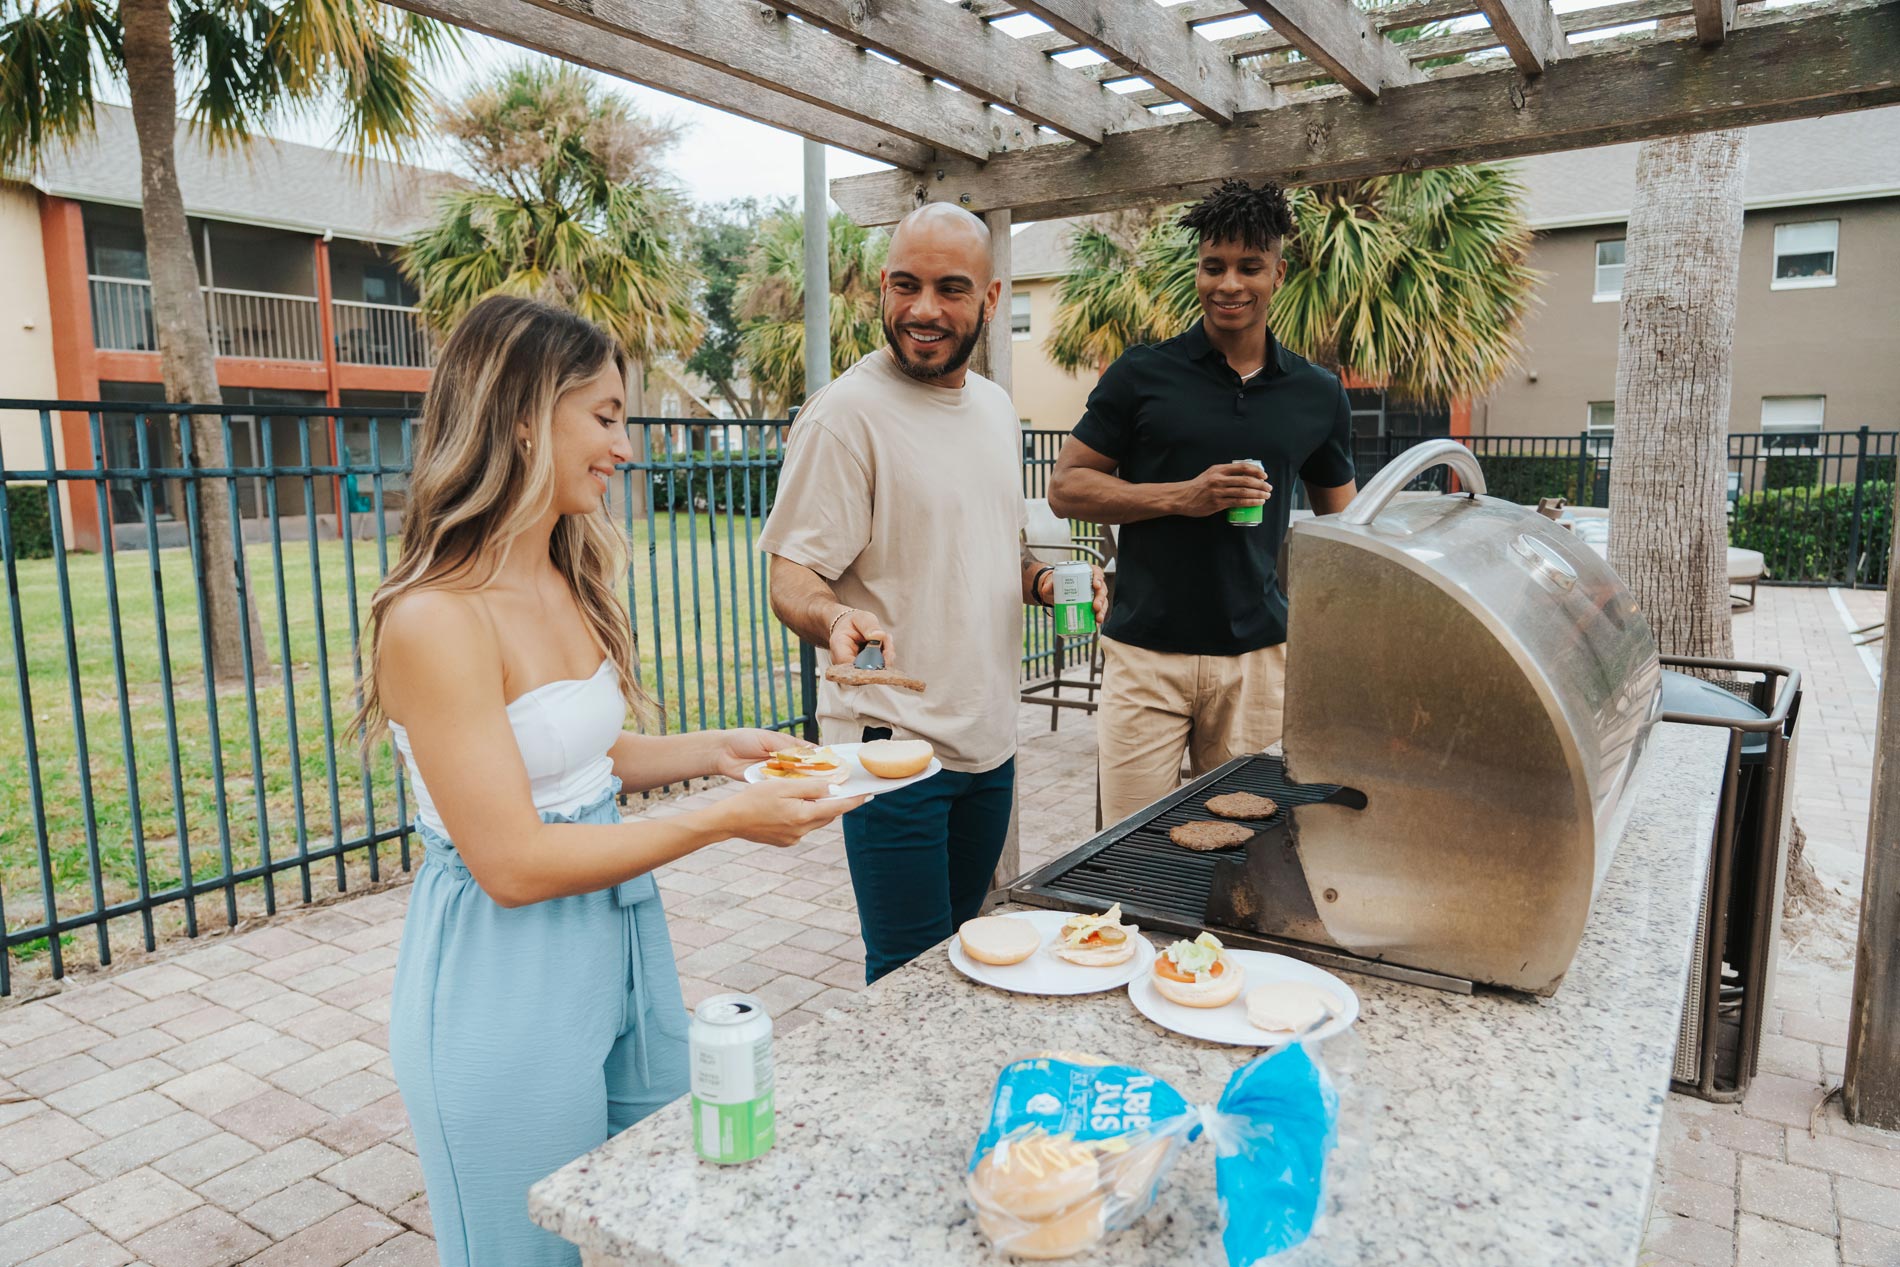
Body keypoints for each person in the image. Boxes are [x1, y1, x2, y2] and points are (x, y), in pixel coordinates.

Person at [357, 295, 859, 1267]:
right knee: (528, 1252)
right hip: (502, 980)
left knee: (651, 1216)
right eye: (604, 415)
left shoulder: (559, 571)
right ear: (517, 416)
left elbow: (581, 759)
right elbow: (510, 857)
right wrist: (726, 816)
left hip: (622, 941)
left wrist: (721, 750)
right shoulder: (433, 620)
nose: (624, 445)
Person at [761, 203, 1105, 985]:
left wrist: (1047, 582)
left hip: (989, 739)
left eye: (951, 289)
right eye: (907, 286)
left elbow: (995, 546)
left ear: (989, 299)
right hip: (894, 748)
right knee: (906, 974)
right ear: (882, 288)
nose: (924, 309)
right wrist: (836, 614)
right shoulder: (845, 416)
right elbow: (791, 576)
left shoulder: (991, 406)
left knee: (967, 955)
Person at [1048, 179, 1358, 826]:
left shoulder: (1317, 393)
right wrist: (1184, 497)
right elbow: (1066, 486)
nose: (1229, 284)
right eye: (1213, 266)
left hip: (1256, 662)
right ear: (1198, 269)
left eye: (1249, 267)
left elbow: (1345, 530)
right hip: (1145, 656)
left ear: (1279, 271)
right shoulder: (1142, 373)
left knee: (1244, 856)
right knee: (1129, 848)